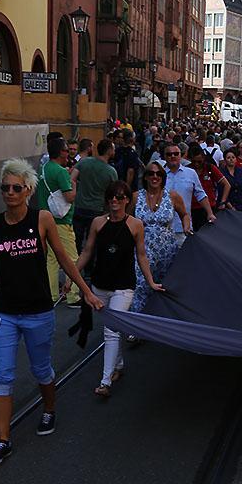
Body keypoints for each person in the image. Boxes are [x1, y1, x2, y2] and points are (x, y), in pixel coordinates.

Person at [0, 158, 102, 465]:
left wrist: (86, 291)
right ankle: (3, 439)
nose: (9, 193)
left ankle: (49, 409)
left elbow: (63, 258)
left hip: (38, 311)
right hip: (4, 313)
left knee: (41, 369)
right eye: (5, 187)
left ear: (27, 190)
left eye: (16, 188)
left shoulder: (43, 219)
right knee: (2, 373)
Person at [71, 181, 163, 397]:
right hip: (99, 286)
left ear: (126, 201)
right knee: (112, 328)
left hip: (124, 287)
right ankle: (118, 365)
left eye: (120, 197)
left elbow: (141, 255)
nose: (115, 200)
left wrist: (150, 281)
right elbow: (87, 251)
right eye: (111, 196)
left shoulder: (135, 225)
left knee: (111, 331)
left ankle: (105, 382)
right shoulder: (97, 223)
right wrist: (72, 276)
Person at [130, 165, 186, 311]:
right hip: (142, 248)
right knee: (141, 285)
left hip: (167, 250)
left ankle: (161, 321)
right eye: (151, 173)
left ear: (163, 177)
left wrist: (186, 228)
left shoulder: (172, 196)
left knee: (165, 286)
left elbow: (184, 215)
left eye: (158, 174)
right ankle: (138, 324)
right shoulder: (136, 197)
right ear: (146, 177)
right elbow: (127, 219)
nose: (155, 177)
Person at [37, 136, 81, 306]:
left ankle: (52, 294)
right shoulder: (61, 171)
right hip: (62, 221)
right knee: (72, 258)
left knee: (51, 259)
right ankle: (73, 295)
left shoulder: (43, 168)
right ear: (62, 152)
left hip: (45, 219)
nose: (69, 152)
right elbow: (69, 197)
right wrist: (74, 184)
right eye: (67, 149)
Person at [72, 138, 118, 254]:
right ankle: (89, 268)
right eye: (113, 148)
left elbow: (71, 178)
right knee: (92, 241)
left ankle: (75, 263)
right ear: (109, 151)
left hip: (79, 206)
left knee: (76, 239)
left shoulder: (84, 162)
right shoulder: (111, 172)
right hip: (97, 209)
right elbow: (113, 192)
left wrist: (74, 194)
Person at [161, 143, 205, 245]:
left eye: (176, 154)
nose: (173, 156)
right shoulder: (158, 174)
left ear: (181, 155)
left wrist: (210, 213)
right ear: (164, 157)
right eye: (169, 154)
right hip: (163, 229)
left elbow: (201, 195)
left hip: (184, 228)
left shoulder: (191, 173)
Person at [186, 144, 223, 231]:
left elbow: (226, 184)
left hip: (209, 207)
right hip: (193, 208)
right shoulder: (188, 170)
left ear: (203, 158)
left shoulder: (210, 168)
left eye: (199, 161)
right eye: (194, 161)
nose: (197, 164)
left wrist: (223, 201)